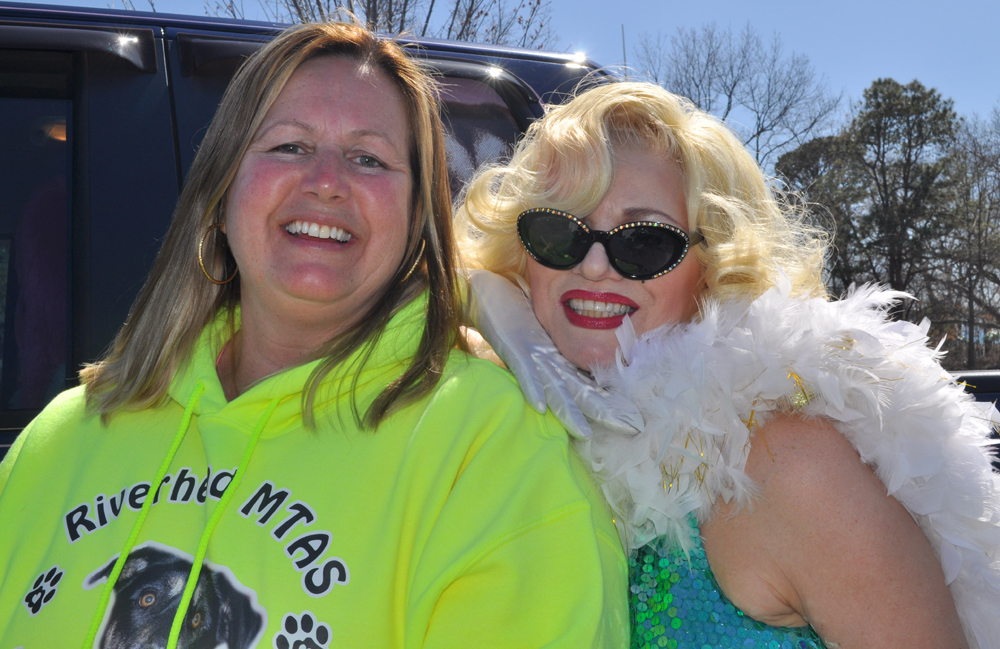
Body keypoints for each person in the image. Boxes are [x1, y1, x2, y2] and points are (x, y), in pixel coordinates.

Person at [0, 23, 628, 649]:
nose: (326, 181)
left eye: (369, 158)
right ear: (221, 195)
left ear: (416, 218)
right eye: (289, 146)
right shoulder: (57, 443)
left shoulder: (494, 455)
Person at [457, 82, 1000, 649]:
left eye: (644, 241)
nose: (593, 265)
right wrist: (477, 293)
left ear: (716, 262)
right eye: (557, 231)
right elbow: (390, 267)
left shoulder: (789, 464)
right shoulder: (511, 417)